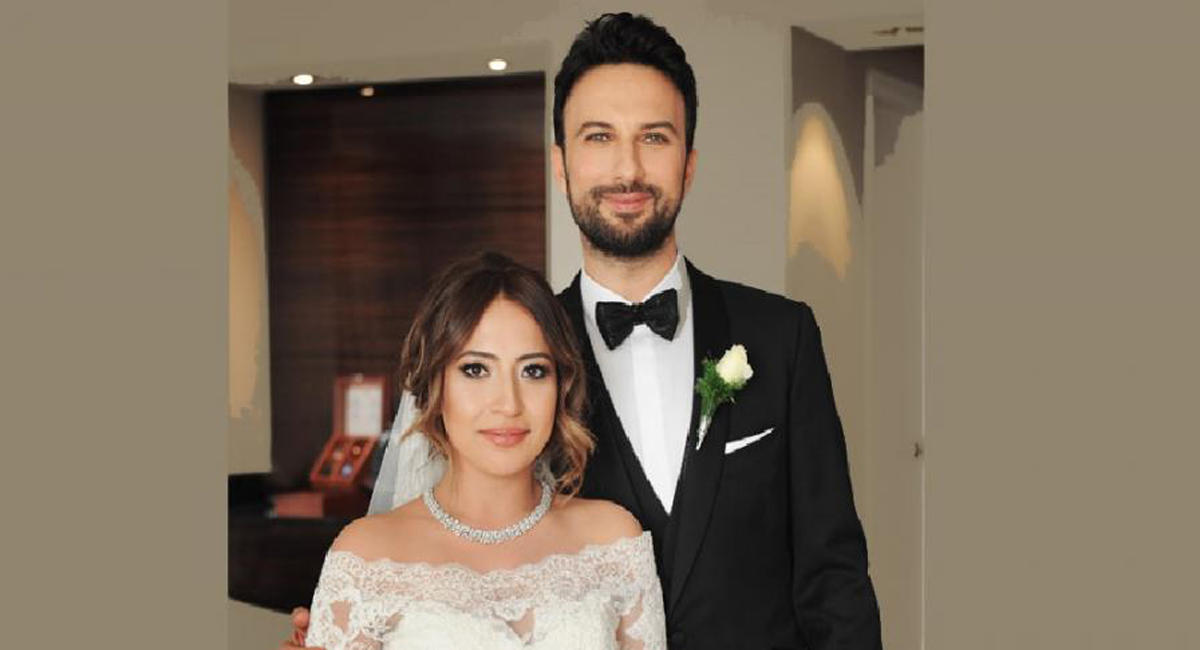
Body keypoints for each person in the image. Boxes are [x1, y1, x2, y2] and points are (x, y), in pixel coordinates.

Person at [289, 11, 881, 650]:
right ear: (561, 164)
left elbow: (834, 577)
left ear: (688, 164)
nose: (628, 169)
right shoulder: (523, 353)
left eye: (655, 137)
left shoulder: (782, 335)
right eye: (599, 137)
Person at [296, 251, 667, 649]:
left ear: (561, 387)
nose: (508, 403)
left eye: (533, 371)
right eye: (475, 369)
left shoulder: (613, 541)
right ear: (435, 386)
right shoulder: (365, 557)